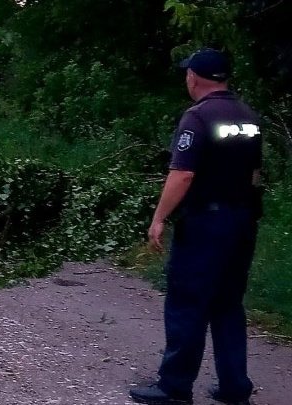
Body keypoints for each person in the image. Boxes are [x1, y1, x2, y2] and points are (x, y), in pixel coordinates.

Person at [130, 48, 263, 405]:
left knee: (188, 303)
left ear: (194, 77)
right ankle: (235, 388)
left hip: (206, 223)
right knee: (228, 304)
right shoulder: (248, 115)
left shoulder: (198, 117)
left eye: (188, 74)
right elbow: (254, 174)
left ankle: (174, 387)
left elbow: (184, 174)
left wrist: (159, 218)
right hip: (243, 221)